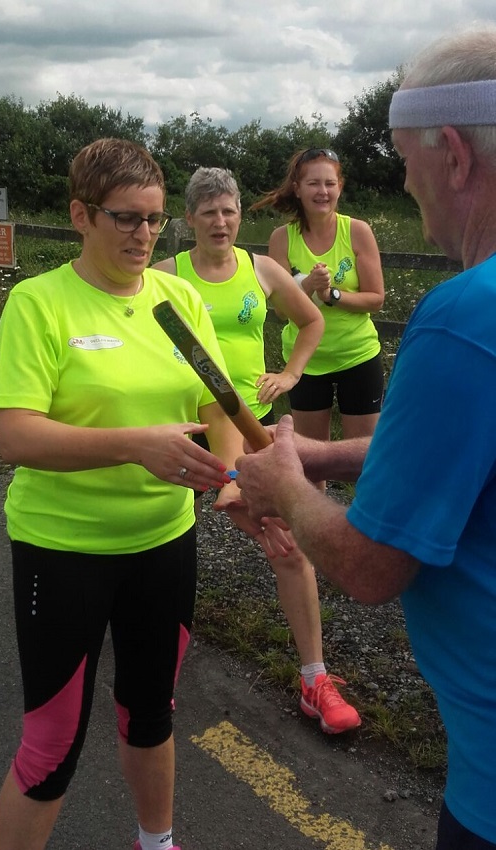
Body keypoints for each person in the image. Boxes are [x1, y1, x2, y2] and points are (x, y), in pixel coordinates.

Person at [0, 138, 289, 850]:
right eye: (125, 218)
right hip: (63, 549)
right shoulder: (39, 303)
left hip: (161, 543)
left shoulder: (175, 295)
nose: (144, 235)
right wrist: (134, 443)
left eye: (155, 220)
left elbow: (215, 402)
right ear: (80, 216)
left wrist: (231, 480)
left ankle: (156, 844)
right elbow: (17, 436)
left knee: (152, 713)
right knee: (52, 745)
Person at [235, 26, 496, 850]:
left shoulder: (464, 319)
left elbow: (371, 566)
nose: (409, 189)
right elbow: (461, 462)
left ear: (452, 154)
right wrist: (320, 456)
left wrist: (286, 489)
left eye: (407, 166)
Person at [153, 166, 362, 734]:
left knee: (289, 547)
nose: (219, 222)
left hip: (254, 426)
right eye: (208, 212)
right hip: (183, 429)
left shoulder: (262, 269)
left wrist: (290, 373)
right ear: (189, 219)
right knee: (157, 549)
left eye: (228, 211)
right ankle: (150, 680)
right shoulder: (164, 276)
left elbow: (312, 319)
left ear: (240, 215)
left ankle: (315, 680)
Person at [251, 146, 385, 467]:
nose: (322, 191)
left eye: (329, 183)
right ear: (297, 189)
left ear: (340, 187)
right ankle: (313, 516)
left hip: (358, 356)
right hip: (305, 362)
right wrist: (306, 288)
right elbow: (282, 311)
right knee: (311, 462)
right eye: (313, 183)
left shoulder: (357, 231)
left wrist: (332, 296)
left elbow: (376, 299)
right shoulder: (282, 239)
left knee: (364, 461)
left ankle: (361, 518)